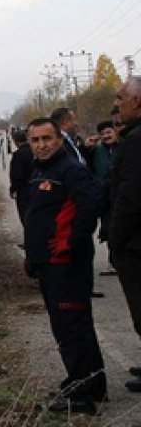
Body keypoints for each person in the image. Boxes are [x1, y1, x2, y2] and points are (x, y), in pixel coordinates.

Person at [24, 117, 107, 414]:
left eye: (47, 139)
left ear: (59, 139)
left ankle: (82, 395)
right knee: (68, 328)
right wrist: (32, 255)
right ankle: (90, 383)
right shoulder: (40, 170)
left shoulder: (70, 170)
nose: (41, 145)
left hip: (66, 266)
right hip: (47, 265)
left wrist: (70, 243)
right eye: (35, 140)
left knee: (73, 329)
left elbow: (92, 203)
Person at [108, 77, 141, 392]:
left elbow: (130, 196)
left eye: (121, 98)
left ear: (138, 102)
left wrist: (115, 239)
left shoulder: (136, 140)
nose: (117, 105)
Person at [9, 127, 34, 225]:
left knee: (26, 217)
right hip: (37, 189)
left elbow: (16, 175)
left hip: (24, 192)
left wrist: (13, 189)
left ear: (15, 141)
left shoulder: (18, 155)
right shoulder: (35, 151)